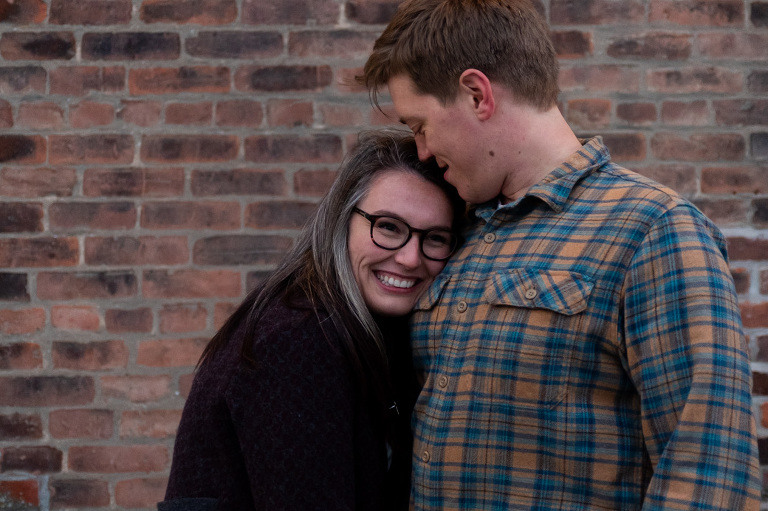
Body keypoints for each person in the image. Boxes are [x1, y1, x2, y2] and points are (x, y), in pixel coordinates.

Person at [358, 0, 762, 509]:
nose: (421, 150)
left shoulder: (651, 230)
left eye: (420, 126)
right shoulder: (452, 232)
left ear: (476, 94)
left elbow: (708, 473)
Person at [158, 130, 465, 510]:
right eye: (388, 227)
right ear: (342, 220)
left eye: (435, 238)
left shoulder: (364, 333)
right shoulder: (300, 340)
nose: (409, 257)